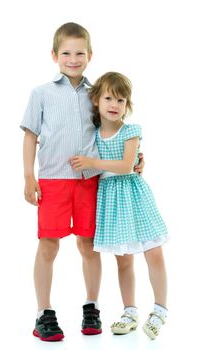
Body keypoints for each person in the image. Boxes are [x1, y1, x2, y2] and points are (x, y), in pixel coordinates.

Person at [20, 23, 144, 341]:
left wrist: (136, 158)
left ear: (90, 55)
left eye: (79, 53)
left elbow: (115, 127)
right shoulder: (41, 94)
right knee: (48, 244)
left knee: (88, 246)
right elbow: (31, 136)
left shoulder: (96, 94)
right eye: (66, 53)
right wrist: (28, 176)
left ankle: (91, 306)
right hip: (52, 181)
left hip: (90, 182)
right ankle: (43, 313)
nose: (73, 59)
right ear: (54, 55)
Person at [70, 72, 168, 340]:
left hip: (133, 194)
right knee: (123, 260)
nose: (114, 104)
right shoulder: (93, 134)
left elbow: (127, 165)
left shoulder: (131, 131)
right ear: (96, 100)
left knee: (154, 251)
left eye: (121, 100)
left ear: (128, 105)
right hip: (110, 199)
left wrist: (93, 163)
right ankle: (130, 311)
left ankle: (160, 309)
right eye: (109, 98)